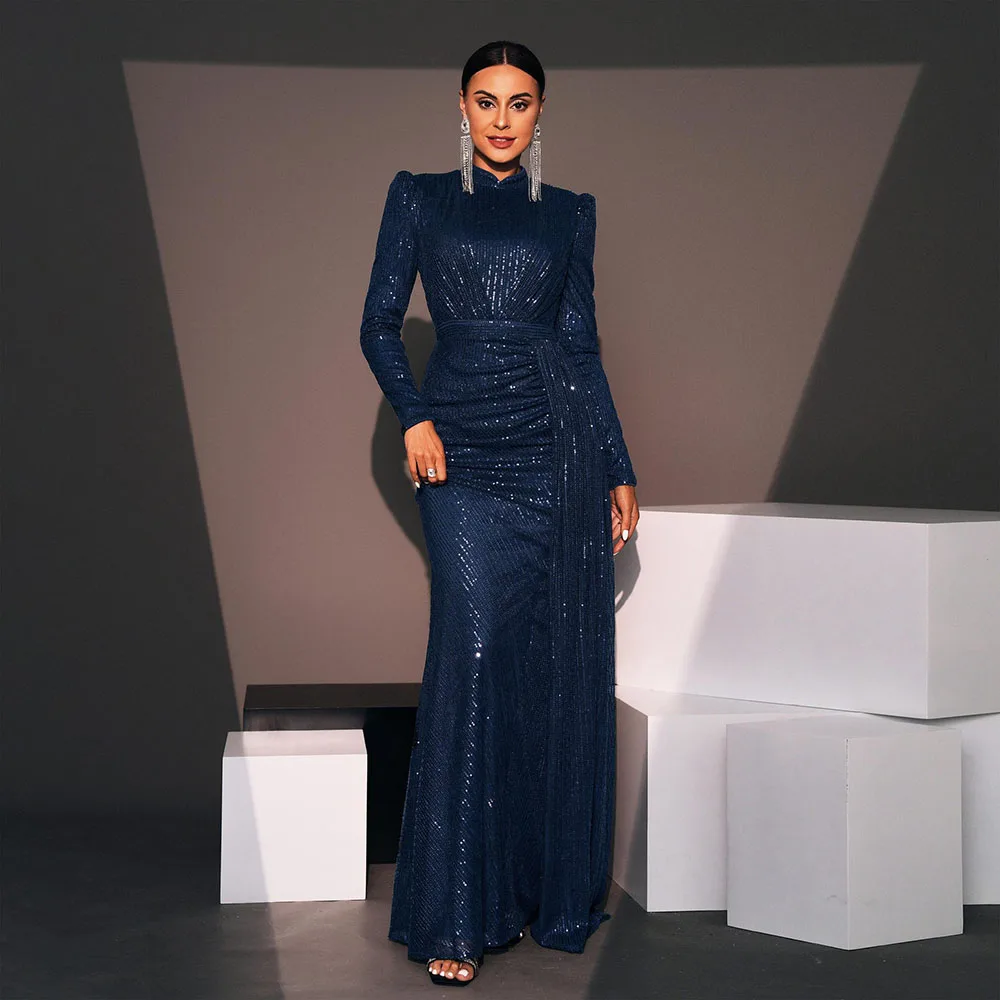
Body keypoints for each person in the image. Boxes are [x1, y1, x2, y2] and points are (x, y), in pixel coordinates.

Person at [359, 39, 639, 987]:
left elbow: (583, 347)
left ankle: (519, 891)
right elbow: (378, 323)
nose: (503, 118)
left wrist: (616, 464)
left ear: (541, 111)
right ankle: (454, 911)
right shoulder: (419, 198)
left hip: (553, 446)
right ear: (462, 106)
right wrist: (415, 414)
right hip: (462, 448)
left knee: (538, 668)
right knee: (474, 647)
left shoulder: (569, 213)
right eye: (487, 101)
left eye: (521, 102)